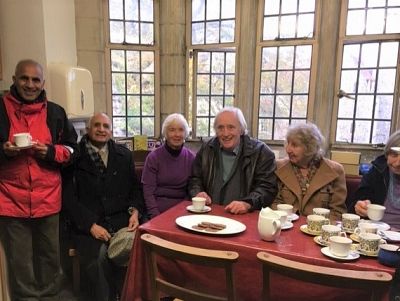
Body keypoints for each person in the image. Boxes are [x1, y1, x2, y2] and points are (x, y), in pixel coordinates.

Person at [0, 59, 78, 300]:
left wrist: (51, 152)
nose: (30, 85)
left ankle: (50, 296)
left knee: (50, 257)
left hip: (48, 200)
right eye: (24, 78)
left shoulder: (55, 112)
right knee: (20, 261)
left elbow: (73, 149)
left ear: (43, 83)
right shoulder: (0, 108)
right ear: (14, 80)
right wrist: (4, 151)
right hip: (11, 201)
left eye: (35, 80)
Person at [63, 112, 146, 301]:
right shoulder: (74, 158)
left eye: (106, 126)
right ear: (88, 129)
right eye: (97, 125)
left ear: (111, 130)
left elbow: (135, 189)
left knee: (138, 250)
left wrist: (135, 212)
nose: (101, 129)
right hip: (88, 226)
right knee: (99, 257)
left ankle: (128, 295)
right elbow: (68, 199)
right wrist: (91, 225)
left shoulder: (123, 155)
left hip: (121, 222)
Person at [188, 106, 277, 214]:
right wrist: (198, 192)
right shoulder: (206, 149)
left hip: (244, 218)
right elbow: (195, 179)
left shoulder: (261, 152)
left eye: (231, 127)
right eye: (220, 128)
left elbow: (267, 188)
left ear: (241, 129)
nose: (225, 133)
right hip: (209, 215)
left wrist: (248, 203)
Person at [272, 123, 347, 221]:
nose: (288, 149)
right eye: (288, 143)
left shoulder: (336, 171)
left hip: (319, 230)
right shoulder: (278, 167)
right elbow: (273, 204)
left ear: (310, 148)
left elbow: (337, 212)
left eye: (294, 145)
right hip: (287, 226)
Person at [142, 113, 195, 219]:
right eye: (172, 130)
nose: (177, 134)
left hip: (183, 212)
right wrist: (156, 217)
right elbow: (148, 192)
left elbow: (192, 190)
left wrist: (185, 214)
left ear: (185, 134)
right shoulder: (153, 157)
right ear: (165, 133)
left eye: (181, 130)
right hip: (156, 211)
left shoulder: (191, 158)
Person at [350, 130, 400, 230]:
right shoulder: (377, 170)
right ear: (387, 154)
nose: (398, 163)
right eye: (394, 155)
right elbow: (357, 201)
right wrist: (360, 206)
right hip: (375, 233)